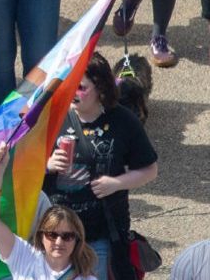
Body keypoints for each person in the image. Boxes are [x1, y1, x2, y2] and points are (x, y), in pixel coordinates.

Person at [44, 52, 159, 280]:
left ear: (101, 89)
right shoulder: (53, 116)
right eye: (71, 85)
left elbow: (150, 169)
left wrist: (116, 183)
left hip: (100, 234)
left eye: (82, 87)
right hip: (55, 234)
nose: (74, 93)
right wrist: (47, 165)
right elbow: (23, 164)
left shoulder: (122, 121)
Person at [0, 142, 98, 280]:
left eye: (67, 236)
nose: (59, 242)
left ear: (77, 240)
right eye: (52, 235)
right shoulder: (25, 257)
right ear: (41, 235)